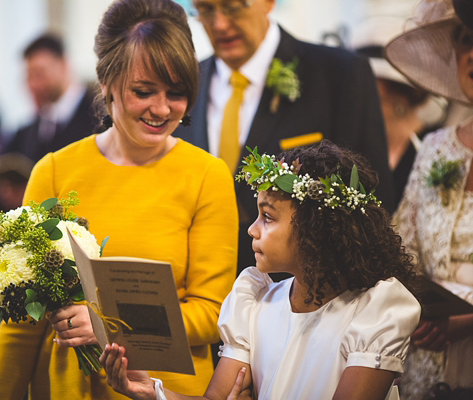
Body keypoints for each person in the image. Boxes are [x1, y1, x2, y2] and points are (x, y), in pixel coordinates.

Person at [0, 0, 238, 398]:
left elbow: (213, 312)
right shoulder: (54, 171)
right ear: (107, 82)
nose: (162, 108)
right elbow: (20, 320)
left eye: (177, 92)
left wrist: (107, 323)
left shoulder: (207, 176)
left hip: (164, 388)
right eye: (143, 91)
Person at [100, 140, 421, 400]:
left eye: (267, 217)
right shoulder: (255, 302)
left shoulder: (375, 311)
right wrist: (152, 391)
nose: (252, 230)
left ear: (316, 227)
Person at [174, 0, 396, 275]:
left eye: (233, 6)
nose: (219, 24)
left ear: (268, 2)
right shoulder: (181, 85)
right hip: (201, 283)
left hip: (304, 292)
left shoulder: (340, 74)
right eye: (205, 9)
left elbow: (373, 199)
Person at [386, 0, 473, 398]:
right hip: (427, 351)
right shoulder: (437, 148)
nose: (472, 55)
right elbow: (400, 245)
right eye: (467, 42)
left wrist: (466, 321)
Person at [351, 15, 446, 203]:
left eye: (369, 81)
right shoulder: (353, 147)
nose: (356, 90)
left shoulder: (438, 148)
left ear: (397, 90)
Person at [1, 33, 98, 163]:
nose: (33, 84)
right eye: (29, 76)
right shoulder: (27, 134)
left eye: (39, 73)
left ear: (63, 65)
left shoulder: (100, 116)